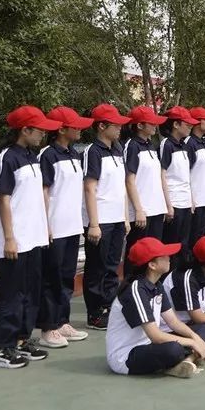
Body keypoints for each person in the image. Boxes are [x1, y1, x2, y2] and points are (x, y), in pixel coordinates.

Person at [0, 106, 61, 368]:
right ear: (25, 130)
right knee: (10, 294)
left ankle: (21, 340)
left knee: (30, 292)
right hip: (14, 240)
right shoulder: (7, 157)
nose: (43, 133)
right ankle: (2, 348)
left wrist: (44, 230)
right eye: (39, 129)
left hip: (34, 238)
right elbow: (4, 199)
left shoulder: (32, 156)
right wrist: (9, 237)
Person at [105, 238, 205, 377]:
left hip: (147, 344)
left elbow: (173, 322)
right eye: (164, 256)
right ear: (152, 265)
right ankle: (185, 359)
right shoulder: (135, 290)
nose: (169, 258)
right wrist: (192, 343)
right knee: (173, 349)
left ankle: (185, 361)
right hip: (126, 356)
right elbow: (156, 336)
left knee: (202, 330)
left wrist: (195, 337)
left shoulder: (156, 285)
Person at [36, 106, 94, 349]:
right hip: (55, 228)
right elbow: (43, 193)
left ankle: (62, 321)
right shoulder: (47, 155)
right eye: (75, 126)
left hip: (72, 226)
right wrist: (45, 225)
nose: (80, 129)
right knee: (51, 278)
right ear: (61, 129)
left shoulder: (73, 153)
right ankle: (48, 328)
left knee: (67, 277)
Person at [81, 103, 131, 332]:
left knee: (112, 266)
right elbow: (90, 188)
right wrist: (93, 223)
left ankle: (110, 306)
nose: (120, 128)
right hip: (100, 219)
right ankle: (95, 312)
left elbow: (120, 187)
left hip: (117, 219)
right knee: (96, 268)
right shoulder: (93, 151)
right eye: (115, 124)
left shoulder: (118, 149)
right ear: (102, 126)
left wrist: (125, 218)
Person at [123, 105, 170, 248]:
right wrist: (138, 210)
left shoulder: (150, 145)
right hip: (142, 212)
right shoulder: (132, 146)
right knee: (138, 253)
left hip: (156, 209)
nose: (155, 125)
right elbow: (129, 181)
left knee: (154, 252)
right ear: (139, 125)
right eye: (151, 122)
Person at [159, 106, 199, 254]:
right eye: (186, 123)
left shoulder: (184, 145)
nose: (190, 126)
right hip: (174, 201)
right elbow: (162, 174)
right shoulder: (167, 144)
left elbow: (186, 176)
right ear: (175, 124)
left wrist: (191, 200)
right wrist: (168, 205)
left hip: (185, 202)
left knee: (184, 242)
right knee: (171, 242)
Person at [186, 107, 205, 247]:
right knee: (193, 236)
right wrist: (191, 198)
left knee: (202, 234)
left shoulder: (204, 142)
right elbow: (186, 173)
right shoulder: (189, 143)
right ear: (197, 122)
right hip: (195, 199)